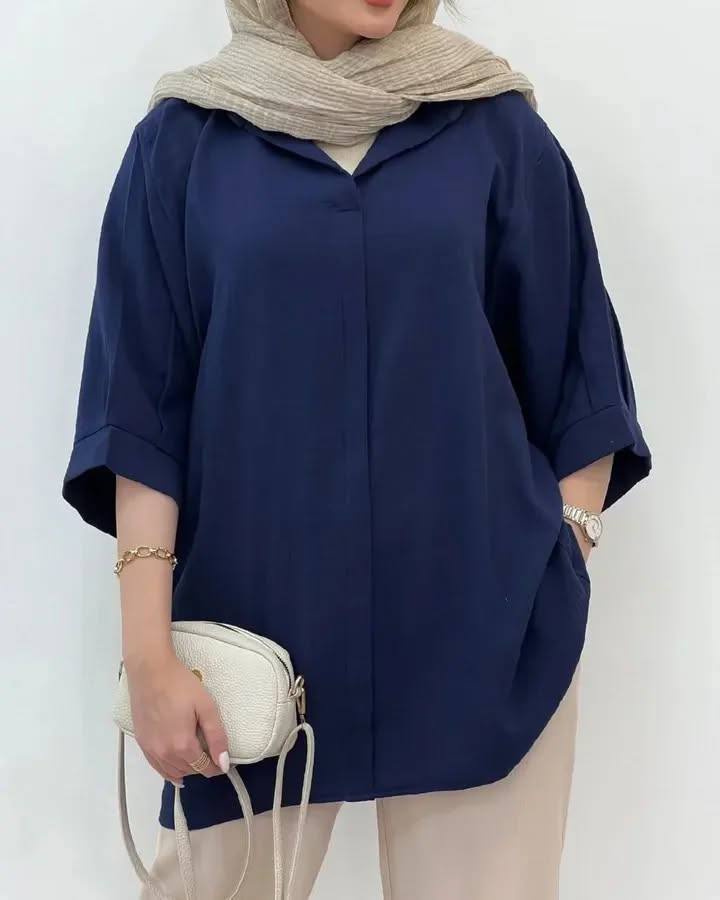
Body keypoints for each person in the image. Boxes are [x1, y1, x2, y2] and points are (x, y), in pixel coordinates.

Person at [62, 1, 652, 897]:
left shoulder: (494, 129)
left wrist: (558, 559)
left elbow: (579, 377)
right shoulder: (184, 144)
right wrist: (148, 656)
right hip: (248, 632)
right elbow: (141, 416)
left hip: (481, 631)